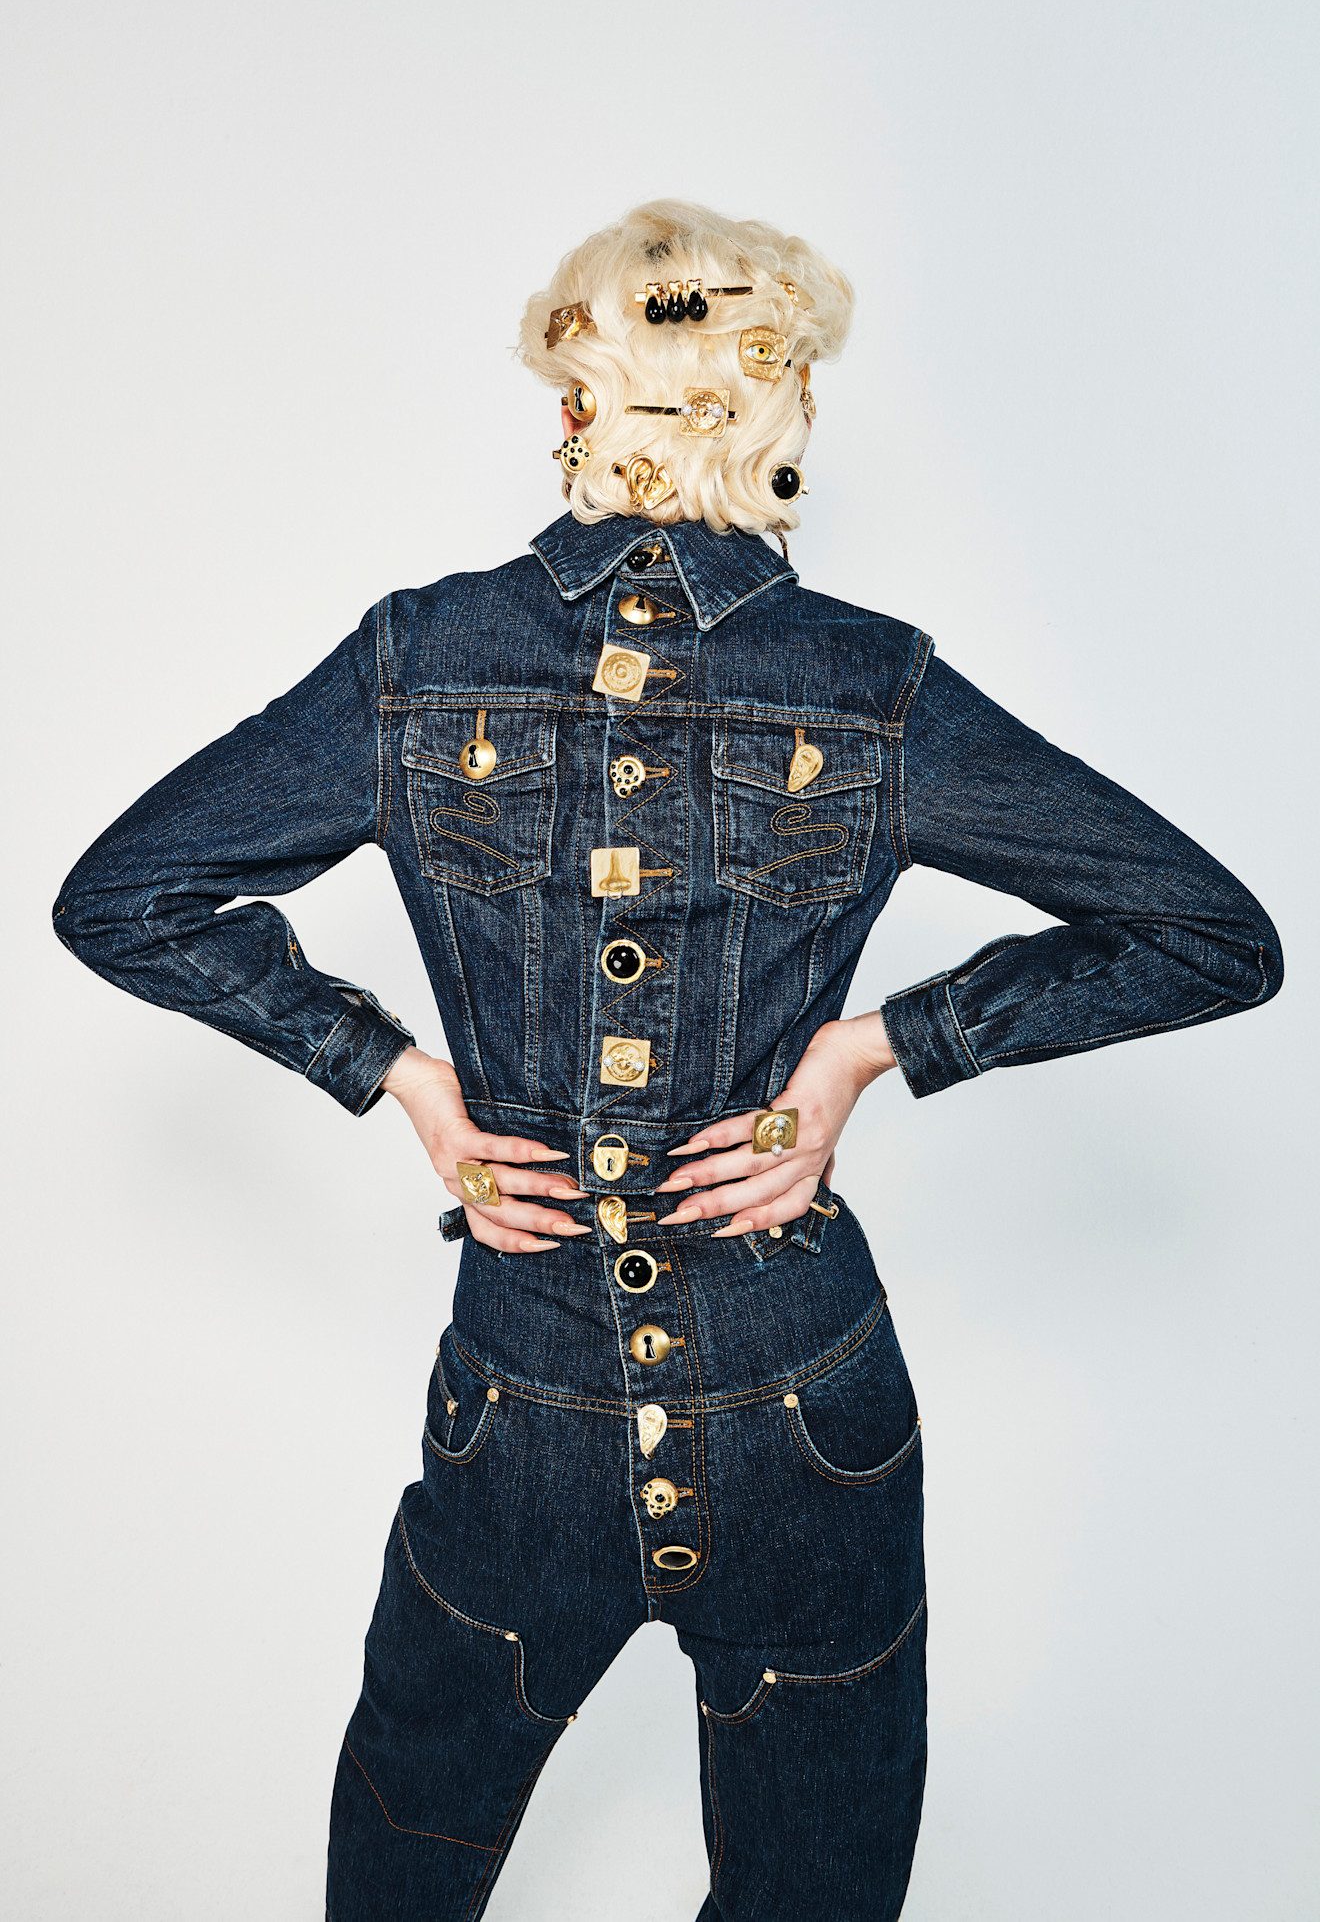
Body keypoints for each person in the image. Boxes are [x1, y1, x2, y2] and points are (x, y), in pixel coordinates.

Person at [52, 200, 1283, 1922]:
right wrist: (873, 1053)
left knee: (402, 1870)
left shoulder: (422, 661)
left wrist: (402, 1077)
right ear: (776, 408)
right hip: (806, 1394)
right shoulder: (871, 686)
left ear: (581, 400)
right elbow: (1215, 935)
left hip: (523, 1391)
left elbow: (124, 898)